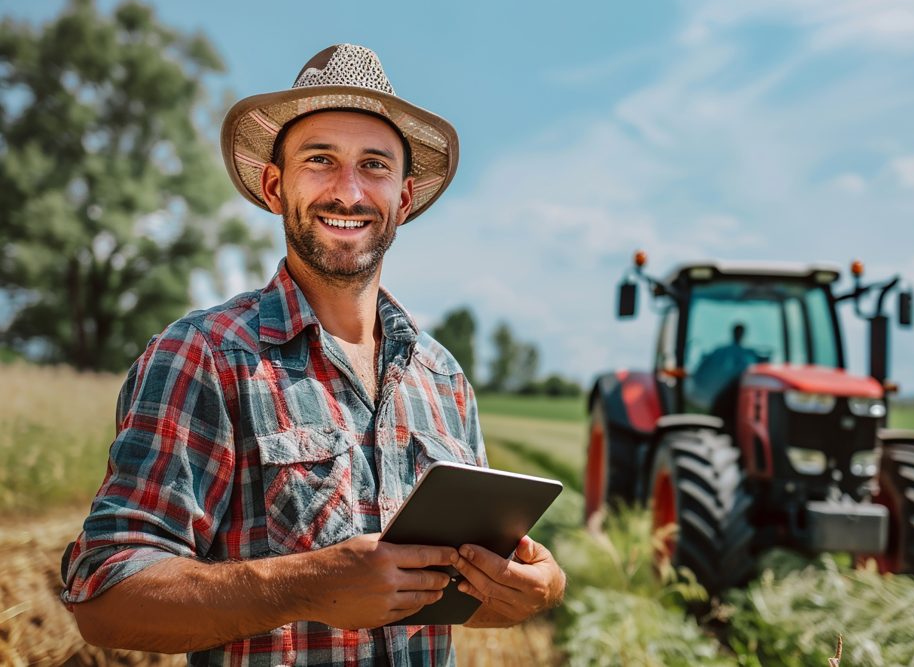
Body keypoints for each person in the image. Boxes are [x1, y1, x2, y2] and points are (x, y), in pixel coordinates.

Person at [60, 44, 565, 666]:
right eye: (320, 159)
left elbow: (463, 586)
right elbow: (104, 597)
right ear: (276, 186)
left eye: (374, 165)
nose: (348, 192)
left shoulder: (444, 380)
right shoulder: (205, 356)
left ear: (403, 199)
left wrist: (533, 588)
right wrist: (305, 587)